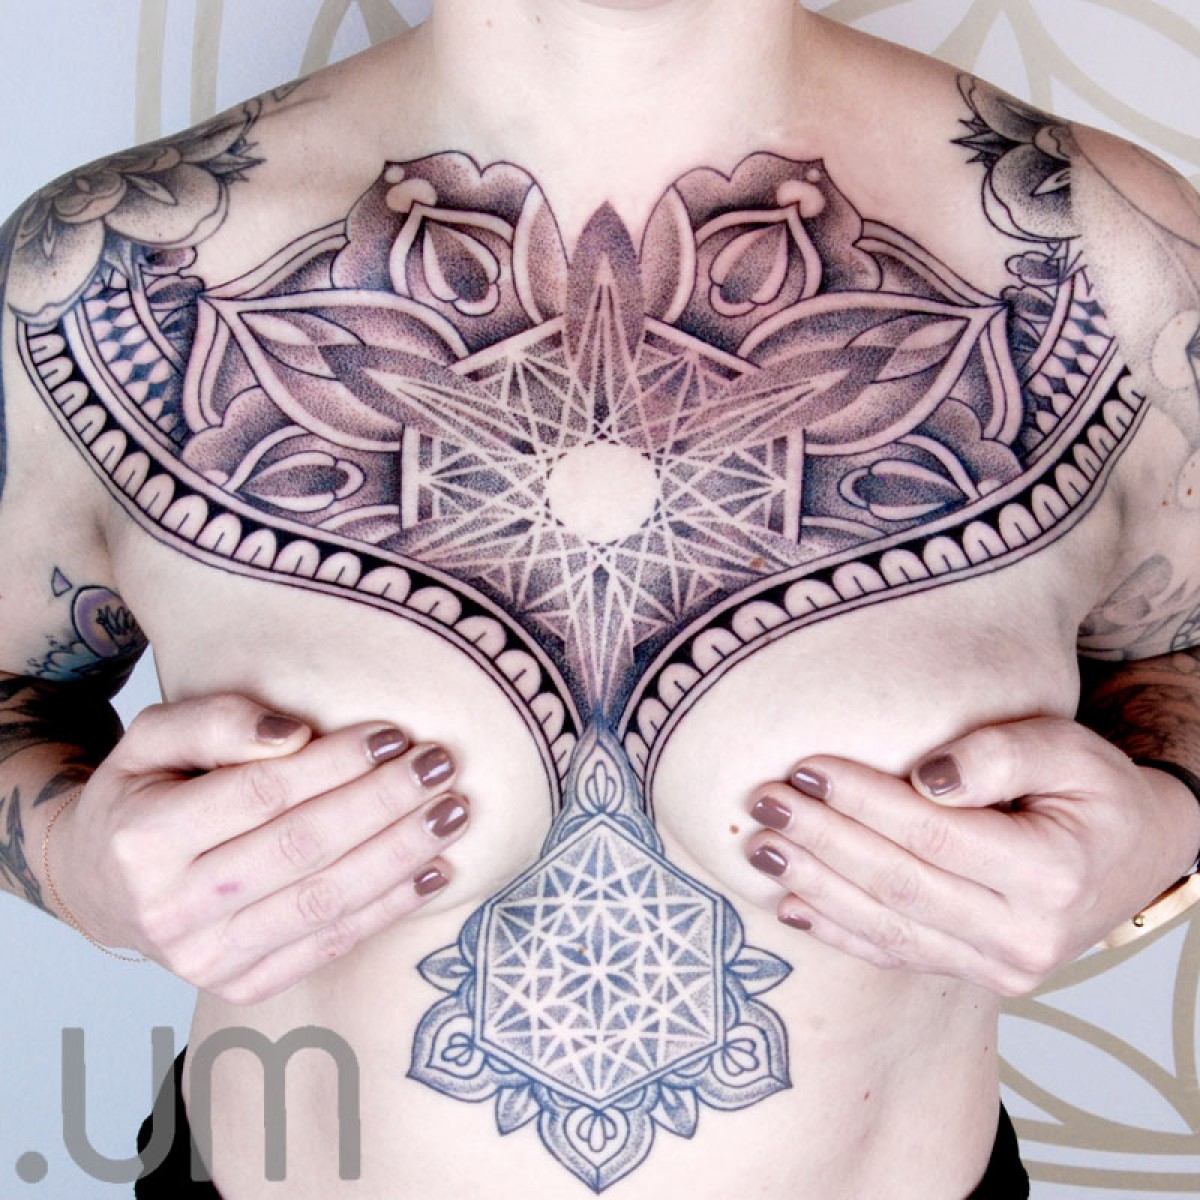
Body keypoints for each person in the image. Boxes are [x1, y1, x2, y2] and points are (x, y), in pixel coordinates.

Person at [2, 2, 1199, 1197]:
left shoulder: (1113, 261)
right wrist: (73, 860)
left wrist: (1156, 837)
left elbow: (1179, 658)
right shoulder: (100, 274)